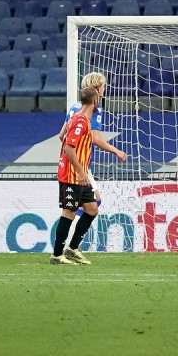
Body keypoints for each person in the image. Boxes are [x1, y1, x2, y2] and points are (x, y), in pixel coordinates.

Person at [58, 72, 128, 213]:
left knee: (88, 204)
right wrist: (116, 151)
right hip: (80, 164)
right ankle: (74, 225)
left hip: (70, 163)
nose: (104, 89)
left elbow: (61, 135)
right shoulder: (95, 108)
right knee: (89, 203)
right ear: (98, 88)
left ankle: (75, 223)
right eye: (103, 86)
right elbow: (95, 138)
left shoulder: (75, 107)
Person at [51, 86, 100, 265]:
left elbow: (61, 136)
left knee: (92, 209)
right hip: (72, 175)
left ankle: (72, 248)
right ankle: (57, 255)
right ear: (95, 101)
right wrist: (79, 171)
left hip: (80, 174)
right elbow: (68, 147)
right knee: (69, 212)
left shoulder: (78, 118)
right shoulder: (81, 121)